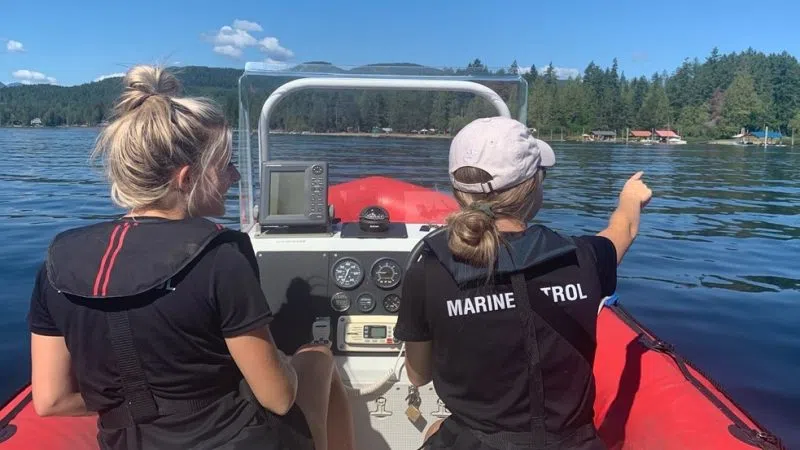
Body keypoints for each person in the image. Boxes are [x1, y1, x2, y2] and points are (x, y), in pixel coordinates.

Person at [27, 65, 355, 450]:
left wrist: (137, 403)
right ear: (186, 179)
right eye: (225, 165)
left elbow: (51, 401)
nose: (234, 176)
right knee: (317, 356)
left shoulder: (57, 264)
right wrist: (284, 361)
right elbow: (278, 398)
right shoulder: (221, 256)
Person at [394, 116, 652, 450]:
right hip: (574, 444)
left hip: (477, 443)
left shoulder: (428, 271)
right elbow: (624, 229)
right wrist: (630, 197)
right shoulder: (584, 257)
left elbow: (418, 376)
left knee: (436, 430)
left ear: (457, 191)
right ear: (533, 186)